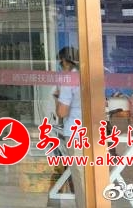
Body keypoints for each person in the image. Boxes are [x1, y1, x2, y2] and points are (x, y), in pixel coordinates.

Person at [54, 46, 84, 208]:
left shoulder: (69, 80)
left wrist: (57, 98)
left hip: (75, 132)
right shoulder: (88, 75)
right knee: (94, 174)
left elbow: (62, 112)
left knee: (80, 177)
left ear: (65, 62)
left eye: (60, 63)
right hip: (94, 131)